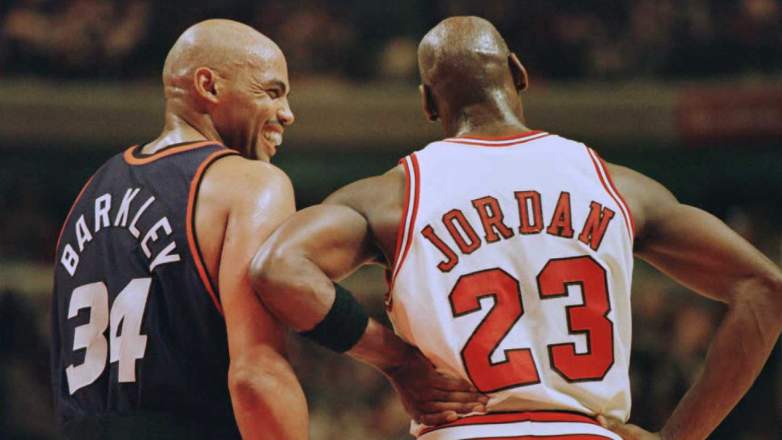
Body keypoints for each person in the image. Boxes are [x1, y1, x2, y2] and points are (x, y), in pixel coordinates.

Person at [251, 16, 782, 440]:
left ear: (428, 104)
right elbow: (765, 289)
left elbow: (278, 268)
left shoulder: (393, 195)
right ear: (519, 72)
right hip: (586, 432)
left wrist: (397, 361)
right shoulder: (619, 186)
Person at [50, 19, 481, 440]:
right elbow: (255, 374)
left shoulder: (89, 194)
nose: (288, 114)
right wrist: (398, 360)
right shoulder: (247, 183)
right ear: (209, 86)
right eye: (272, 92)